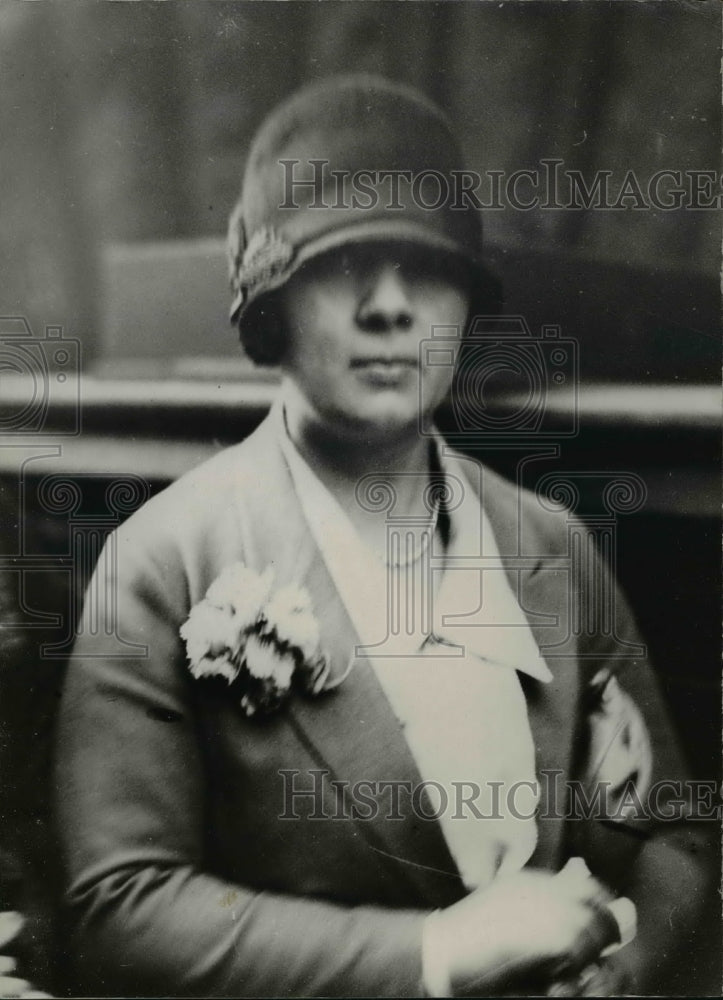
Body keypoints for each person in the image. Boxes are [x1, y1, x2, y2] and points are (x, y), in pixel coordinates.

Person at [54, 75, 712, 997]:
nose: (391, 307)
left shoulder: (552, 546)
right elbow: (120, 909)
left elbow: (674, 827)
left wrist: (625, 965)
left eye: (427, 266)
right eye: (342, 263)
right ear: (269, 304)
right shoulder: (163, 563)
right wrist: (439, 954)